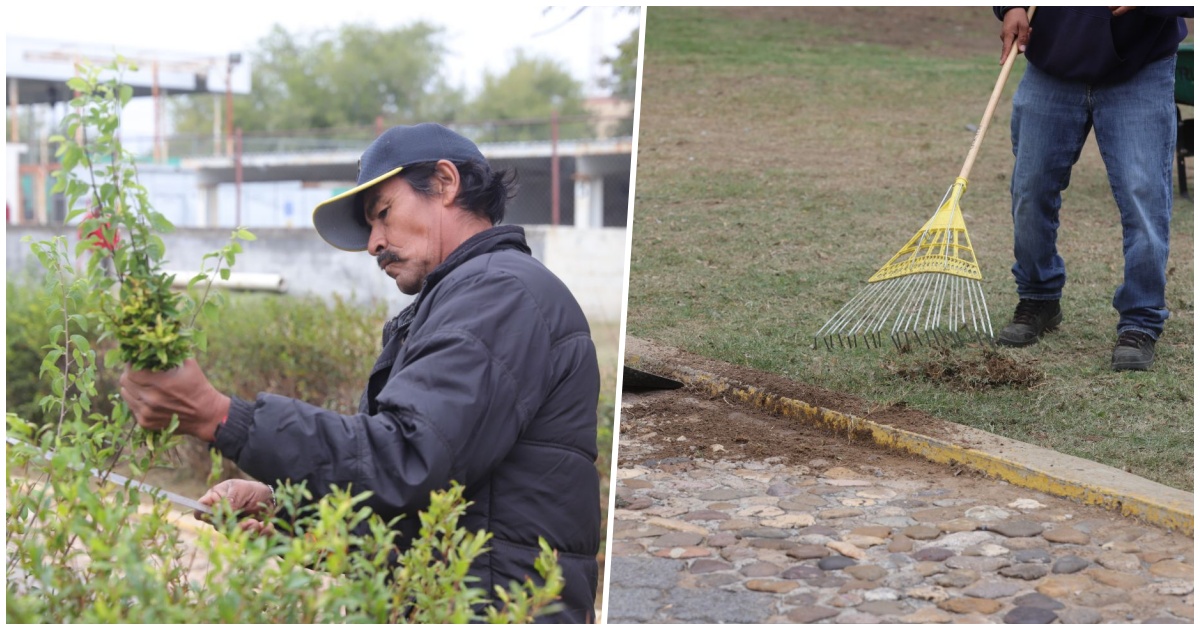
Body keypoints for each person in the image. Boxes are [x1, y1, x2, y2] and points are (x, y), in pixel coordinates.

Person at [119, 123, 602, 622]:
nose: (374, 244)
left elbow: (409, 459)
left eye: (384, 215)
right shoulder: (469, 296)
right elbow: (426, 507)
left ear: (444, 182)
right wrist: (290, 513)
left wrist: (222, 417)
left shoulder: (498, 294)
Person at [992, 6, 1192, 370]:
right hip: (1051, 64)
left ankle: (1141, 320)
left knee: (1143, 194)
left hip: (1140, 68)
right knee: (1030, 189)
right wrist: (1012, 7)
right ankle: (1039, 297)